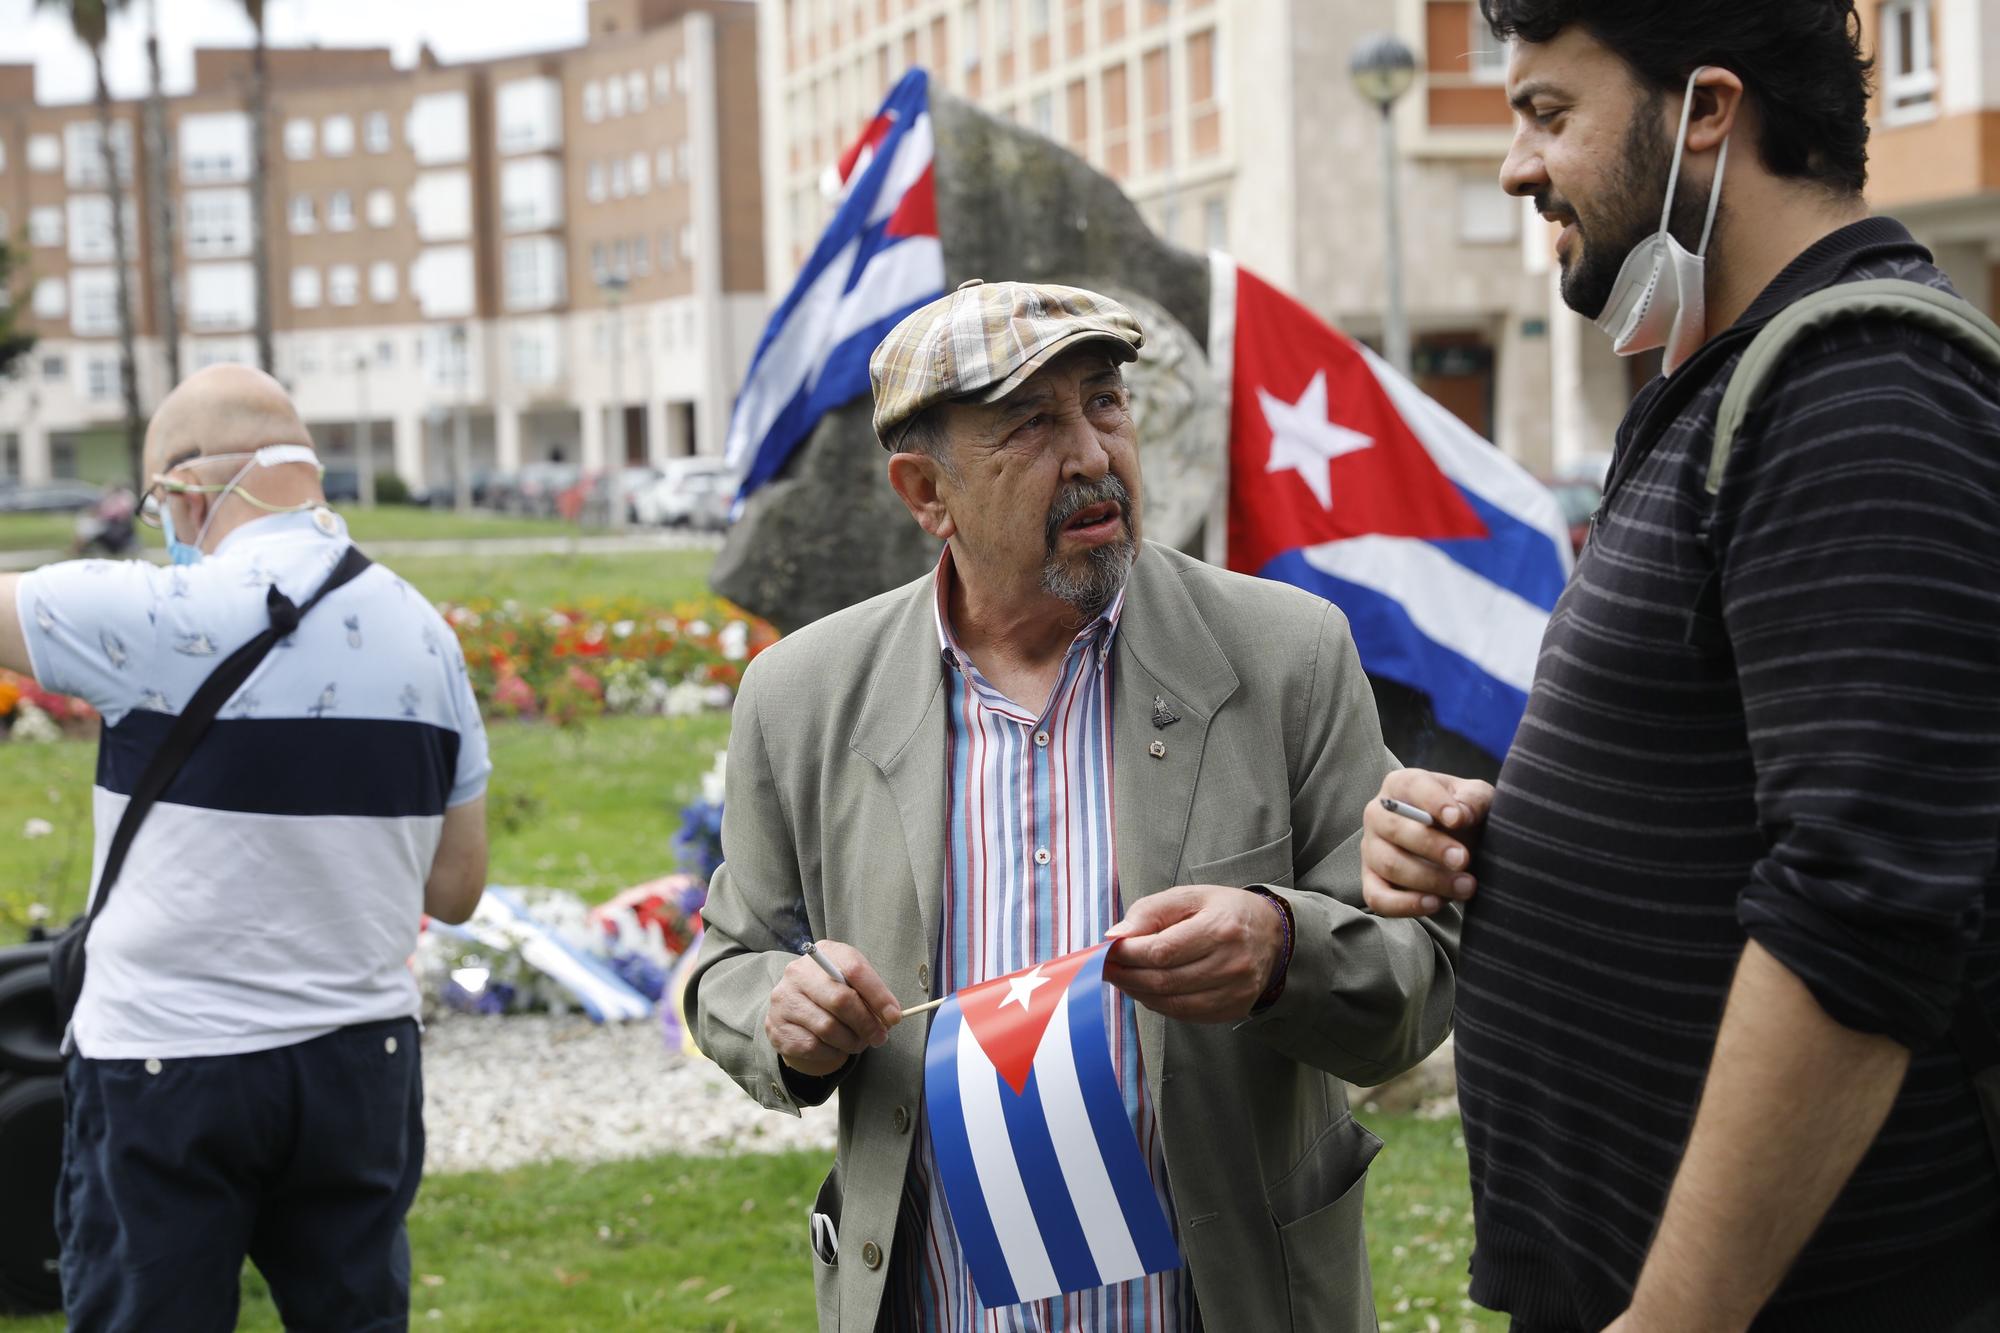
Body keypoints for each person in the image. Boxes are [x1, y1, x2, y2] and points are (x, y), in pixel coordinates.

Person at [1360, 4, 2000, 1330]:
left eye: (1548, 113)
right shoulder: (1733, 377)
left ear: (1708, 108)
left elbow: (1862, 911)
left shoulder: (1860, 387)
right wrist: (1509, 841)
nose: (1515, 166)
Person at [690, 279, 1458, 1331]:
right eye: (1030, 425)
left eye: (1103, 403)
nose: (1094, 455)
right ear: (926, 493)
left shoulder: (1286, 652)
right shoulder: (801, 695)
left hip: (1221, 1300)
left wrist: (1285, 947)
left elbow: (1415, 977)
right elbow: (726, 962)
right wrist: (784, 1012)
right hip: (940, 1305)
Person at [0, 365, 492, 1332]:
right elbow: (460, 883)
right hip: (361, 1058)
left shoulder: (151, 614)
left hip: (169, 1058)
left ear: (187, 490)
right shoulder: (430, 637)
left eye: (158, 507)